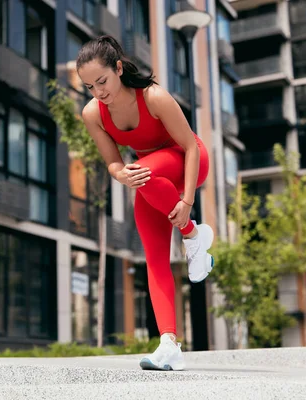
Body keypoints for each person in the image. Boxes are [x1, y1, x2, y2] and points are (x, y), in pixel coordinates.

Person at [76, 35, 214, 371]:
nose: (99, 92)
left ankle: (193, 233)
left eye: (103, 81)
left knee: (143, 172)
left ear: (119, 69)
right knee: (154, 258)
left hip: (187, 162)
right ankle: (169, 343)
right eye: (90, 86)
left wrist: (188, 200)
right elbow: (113, 163)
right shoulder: (93, 114)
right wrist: (119, 174)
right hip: (149, 180)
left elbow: (192, 147)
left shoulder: (153, 97)